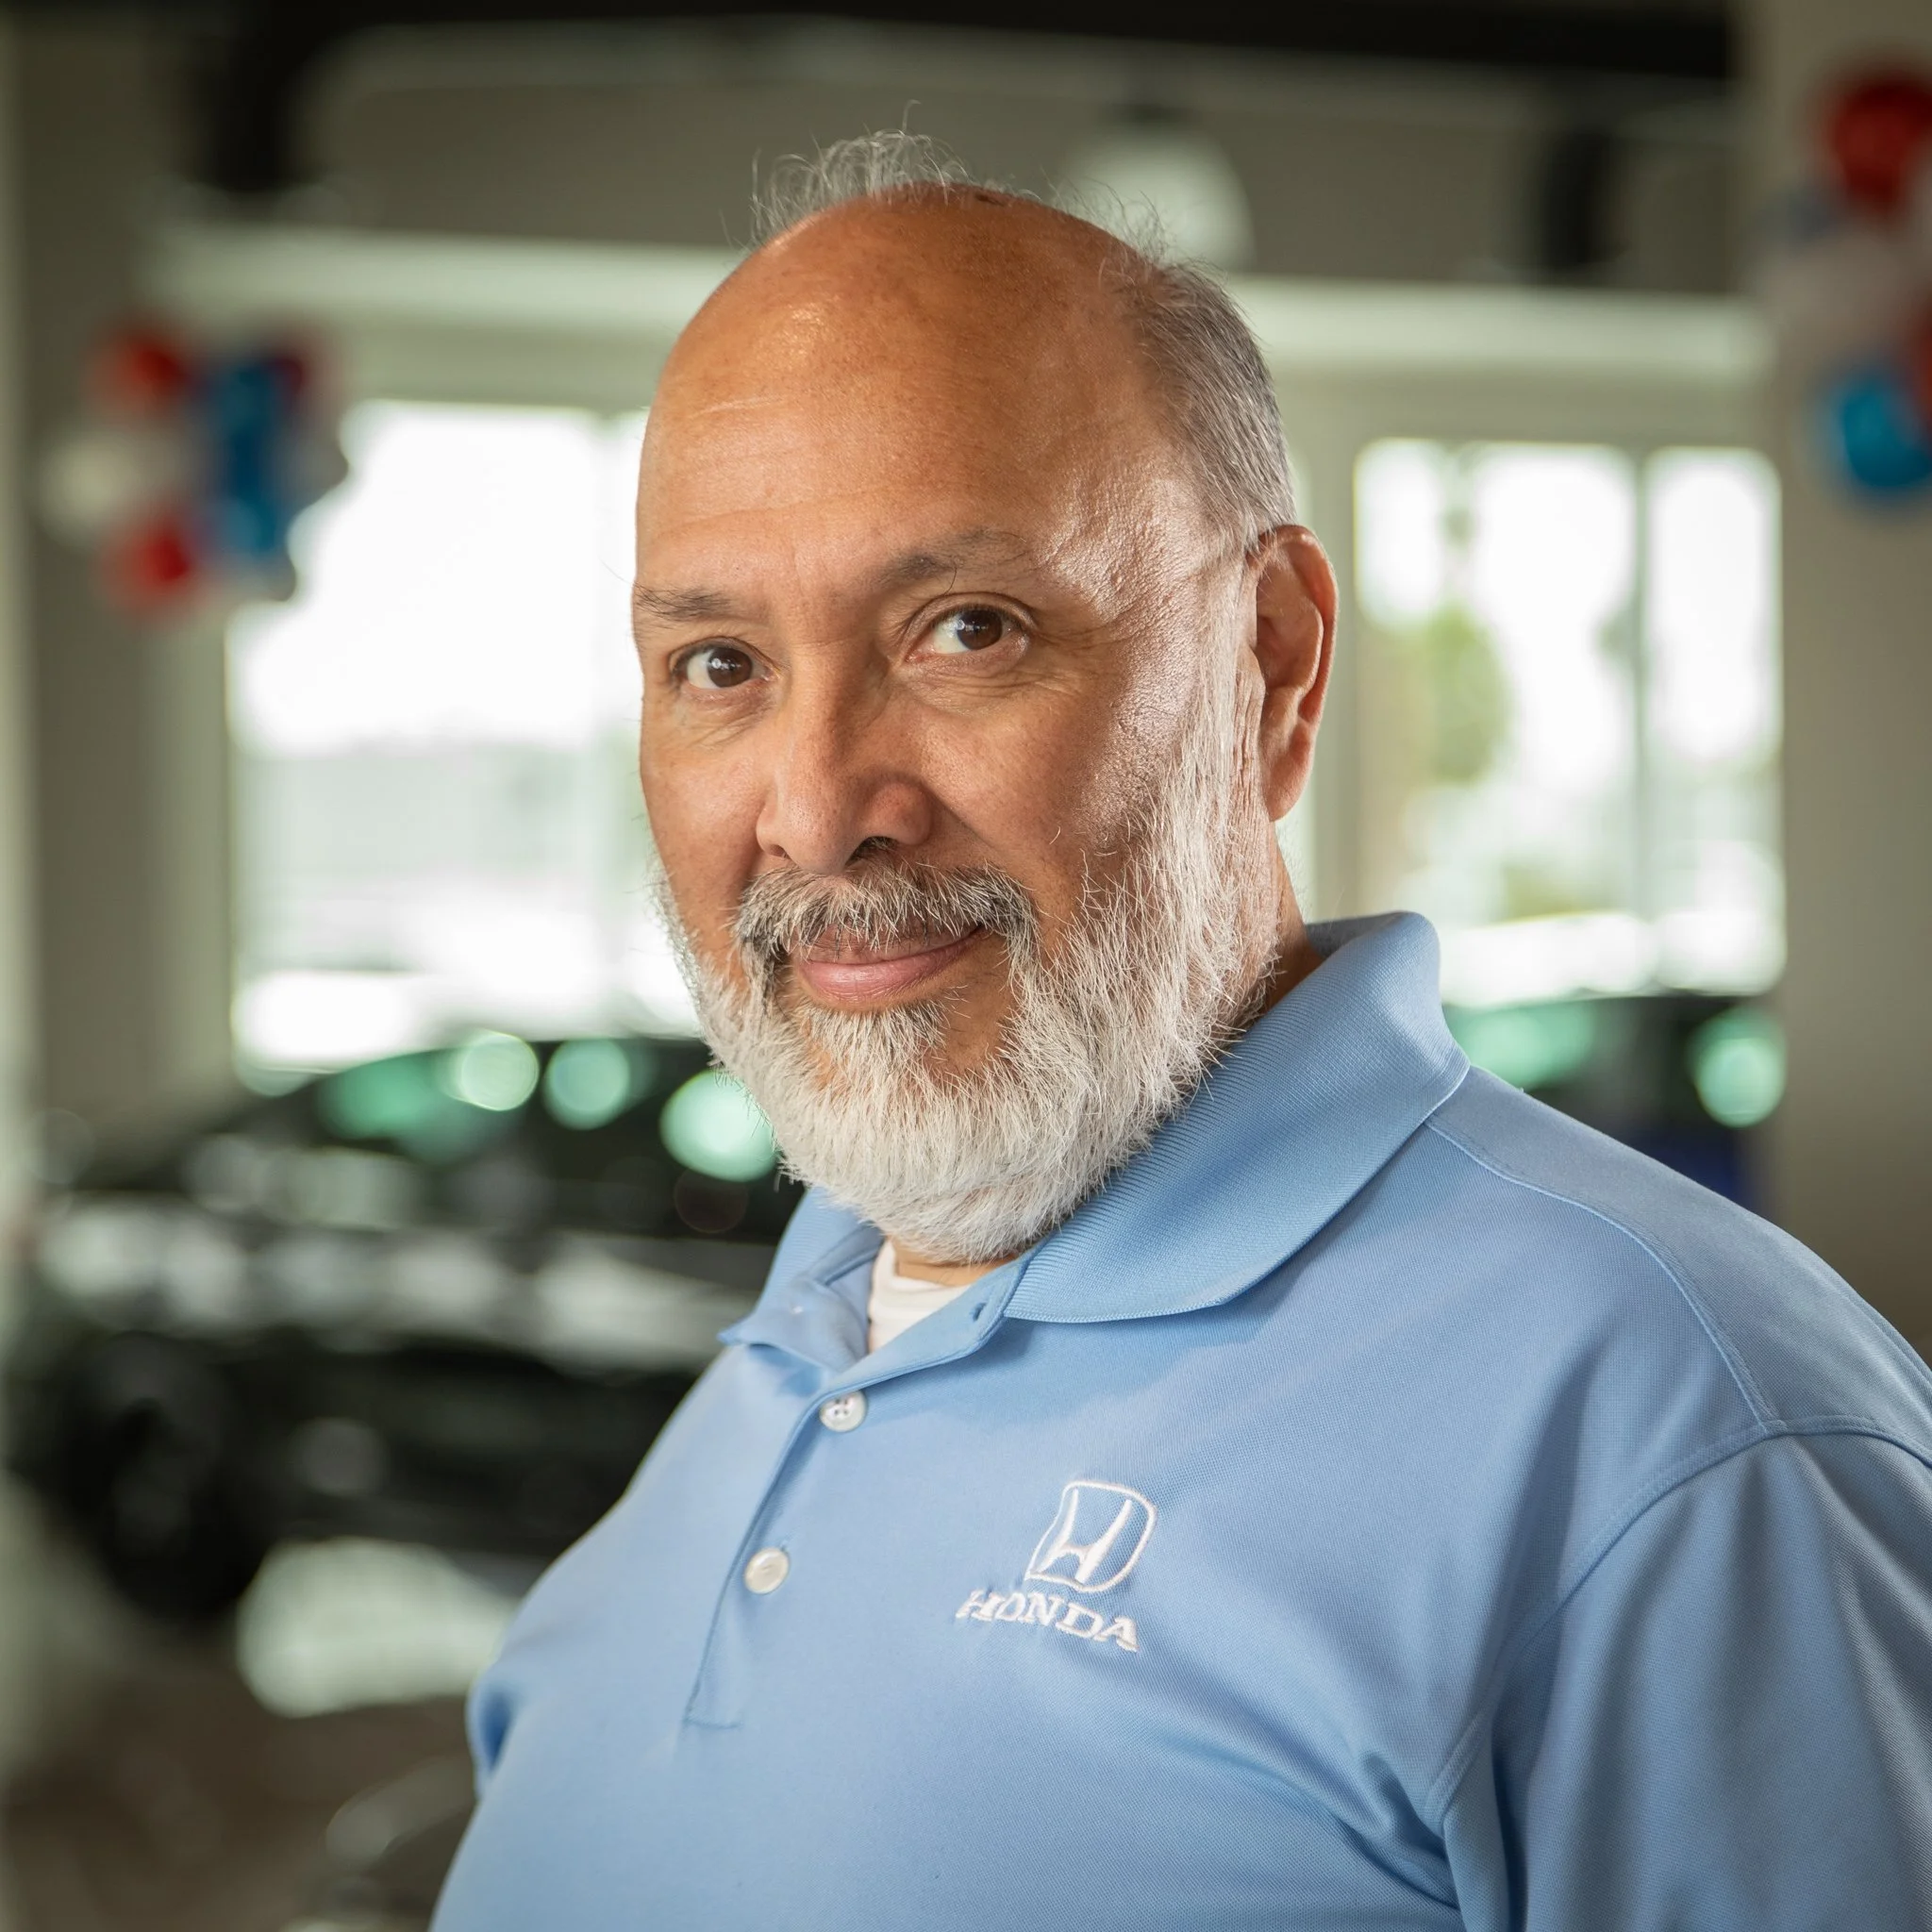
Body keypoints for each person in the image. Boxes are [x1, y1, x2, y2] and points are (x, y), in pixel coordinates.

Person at [432, 136, 1932, 1930]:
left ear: (1273, 663)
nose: (819, 808)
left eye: (963, 629)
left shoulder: (1677, 1431)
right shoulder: (802, 1336)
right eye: (720, 666)